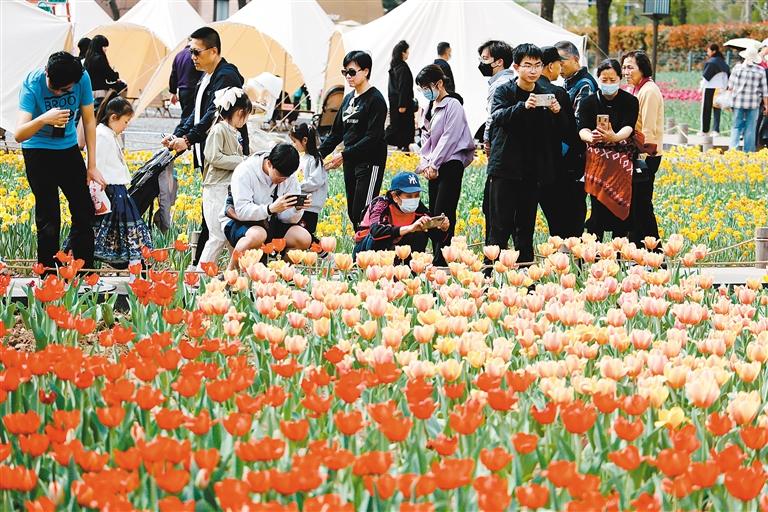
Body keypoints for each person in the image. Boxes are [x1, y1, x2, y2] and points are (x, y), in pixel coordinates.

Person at [164, 26, 250, 266]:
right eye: (190, 51)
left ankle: (202, 271)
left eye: (196, 52)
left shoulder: (227, 76)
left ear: (213, 51)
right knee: (212, 218)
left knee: (216, 220)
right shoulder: (208, 75)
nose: (192, 57)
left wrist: (188, 139)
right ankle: (212, 270)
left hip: (224, 154)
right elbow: (195, 110)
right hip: (211, 155)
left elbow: (213, 114)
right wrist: (177, 135)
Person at [16, 51, 105, 272]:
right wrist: (44, 118)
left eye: (64, 90)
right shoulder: (33, 83)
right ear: (46, 72)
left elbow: (88, 121)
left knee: (84, 209)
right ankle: (47, 274)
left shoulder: (82, 78)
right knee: (49, 216)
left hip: (68, 150)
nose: (57, 92)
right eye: (53, 87)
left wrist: (92, 165)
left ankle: (84, 271)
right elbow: (19, 134)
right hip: (37, 150)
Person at [485, 44, 560, 264]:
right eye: (528, 65)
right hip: (505, 169)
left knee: (525, 227)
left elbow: (554, 133)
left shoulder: (547, 93)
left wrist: (556, 113)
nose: (533, 70)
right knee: (499, 226)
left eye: (538, 65)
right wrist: (523, 106)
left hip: (532, 171)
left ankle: (526, 276)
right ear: (516, 67)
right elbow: (497, 117)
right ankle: (491, 275)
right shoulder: (504, 90)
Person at [319, 50, 387, 231]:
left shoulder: (376, 100)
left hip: (369, 162)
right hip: (350, 161)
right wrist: (316, 154)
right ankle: (360, 251)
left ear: (365, 71)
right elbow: (336, 133)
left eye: (352, 72)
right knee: (352, 212)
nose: (348, 77)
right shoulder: (348, 99)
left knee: (363, 212)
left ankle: (363, 253)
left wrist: (344, 154)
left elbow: (373, 137)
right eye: (345, 73)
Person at [415, 65, 475, 266]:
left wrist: (434, 163)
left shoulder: (453, 105)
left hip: (450, 163)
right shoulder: (429, 107)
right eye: (421, 88)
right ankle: (438, 254)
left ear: (439, 84)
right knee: (434, 211)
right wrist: (425, 164)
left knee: (444, 210)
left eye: (426, 87)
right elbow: (425, 137)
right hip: (434, 166)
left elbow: (450, 137)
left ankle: (444, 256)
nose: (424, 91)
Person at [221, 144, 312, 270]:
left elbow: (286, 219)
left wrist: (297, 209)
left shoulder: (289, 177)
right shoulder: (245, 171)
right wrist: (270, 209)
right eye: (280, 176)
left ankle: (276, 273)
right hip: (239, 222)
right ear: (269, 163)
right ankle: (229, 275)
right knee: (258, 234)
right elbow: (241, 211)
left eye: (286, 177)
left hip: (271, 223)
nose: (283, 181)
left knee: (304, 238)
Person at [577, 59, 639, 241]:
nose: (609, 83)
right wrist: (591, 137)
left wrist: (614, 137)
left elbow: (629, 127)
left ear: (620, 79)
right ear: (598, 78)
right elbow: (582, 129)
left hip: (621, 161)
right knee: (597, 211)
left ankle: (618, 257)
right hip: (597, 162)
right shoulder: (588, 102)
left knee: (621, 212)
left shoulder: (630, 101)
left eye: (613, 80)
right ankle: (594, 257)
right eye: (605, 79)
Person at [91, 93, 152, 267]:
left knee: (129, 232)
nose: (125, 127)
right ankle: (134, 272)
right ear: (113, 117)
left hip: (117, 190)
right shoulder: (102, 135)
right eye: (125, 122)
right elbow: (96, 165)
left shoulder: (108, 133)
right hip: (110, 190)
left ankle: (134, 270)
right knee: (128, 232)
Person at [197, 87, 251, 268]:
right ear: (239, 113)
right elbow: (213, 156)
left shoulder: (232, 131)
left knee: (229, 235)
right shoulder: (219, 130)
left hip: (226, 188)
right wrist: (241, 161)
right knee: (218, 235)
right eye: (246, 115)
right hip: (215, 188)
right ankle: (198, 277)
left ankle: (234, 276)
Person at [537, 46, 585, 239]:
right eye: (559, 64)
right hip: (559, 167)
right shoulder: (557, 93)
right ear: (550, 66)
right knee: (568, 221)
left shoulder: (521, 90)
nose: (561, 68)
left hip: (532, 168)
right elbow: (571, 133)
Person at [622, 51, 663, 246]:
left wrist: (642, 156)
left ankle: (655, 252)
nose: (625, 71)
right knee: (635, 206)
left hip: (646, 155)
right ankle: (637, 249)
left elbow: (648, 129)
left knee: (643, 206)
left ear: (643, 68)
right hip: (635, 154)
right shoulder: (635, 89)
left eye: (630, 67)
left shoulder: (649, 91)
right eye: (624, 67)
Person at [354, 172, 448, 256]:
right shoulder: (381, 204)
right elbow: (376, 231)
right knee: (378, 237)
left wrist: (443, 229)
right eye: (409, 196)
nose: (414, 199)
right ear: (395, 196)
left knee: (421, 232)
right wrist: (409, 228)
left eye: (417, 195)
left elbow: (435, 236)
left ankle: (410, 271)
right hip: (364, 251)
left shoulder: (418, 207)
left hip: (396, 249)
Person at [727, 44, 768, 152]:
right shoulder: (760, 71)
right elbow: (765, 91)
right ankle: (749, 151)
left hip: (738, 102)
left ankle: (733, 151)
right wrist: (766, 106)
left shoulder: (737, 68)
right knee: (751, 128)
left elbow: (730, 86)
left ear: (745, 56)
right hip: (753, 103)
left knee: (736, 127)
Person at [290, 123, 327, 238]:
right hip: (301, 204)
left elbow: (315, 182)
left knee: (306, 233)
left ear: (304, 140)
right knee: (300, 232)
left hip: (310, 207)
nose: (293, 144)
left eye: (295, 141)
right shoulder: (302, 158)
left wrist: (297, 185)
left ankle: (320, 251)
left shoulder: (314, 160)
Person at [477, 40, 515, 149]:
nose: (481, 63)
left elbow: (492, 114)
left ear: (499, 62)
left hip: (499, 138)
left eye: (485, 59)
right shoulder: (510, 80)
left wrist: (486, 139)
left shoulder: (499, 84)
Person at [555, 40, 598, 124]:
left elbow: (580, 121)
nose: (559, 68)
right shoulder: (569, 80)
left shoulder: (585, 85)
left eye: (561, 63)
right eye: (556, 64)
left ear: (576, 59)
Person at [385, 40, 416, 151]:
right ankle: (403, 148)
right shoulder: (402, 68)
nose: (408, 54)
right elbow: (403, 87)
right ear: (403, 53)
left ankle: (401, 147)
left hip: (395, 103)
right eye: (407, 51)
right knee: (404, 129)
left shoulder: (394, 67)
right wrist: (402, 104)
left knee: (397, 127)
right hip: (403, 105)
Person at [84, 35, 125, 110]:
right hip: (101, 90)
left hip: (89, 91)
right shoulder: (100, 58)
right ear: (100, 46)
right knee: (123, 85)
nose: (106, 49)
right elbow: (110, 76)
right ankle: (120, 110)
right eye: (105, 47)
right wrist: (116, 75)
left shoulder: (88, 58)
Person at [699, 43, 730, 135]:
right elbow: (726, 77)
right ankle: (716, 130)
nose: (707, 53)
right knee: (717, 109)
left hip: (709, 88)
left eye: (708, 51)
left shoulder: (711, 62)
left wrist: (700, 88)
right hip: (720, 88)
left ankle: (704, 130)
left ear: (713, 51)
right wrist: (724, 88)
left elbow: (705, 78)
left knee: (706, 110)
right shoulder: (723, 62)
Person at [169, 43, 203, 123]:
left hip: (182, 91)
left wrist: (173, 92)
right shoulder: (195, 54)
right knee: (189, 117)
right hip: (193, 89)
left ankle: (183, 133)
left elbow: (173, 75)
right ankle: (180, 134)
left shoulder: (178, 55)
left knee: (186, 114)